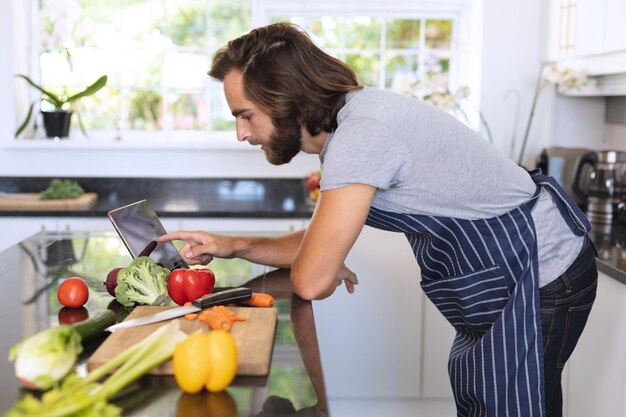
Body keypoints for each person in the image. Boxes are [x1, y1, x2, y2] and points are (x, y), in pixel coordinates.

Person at [158, 22, 598, 417]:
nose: (241, 133)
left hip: (540, 272)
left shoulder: (361, 135)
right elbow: (317, 247)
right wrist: (233, 244)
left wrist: (320, 261)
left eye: (244, 115)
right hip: (508, 272)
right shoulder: (353, 122)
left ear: (285, 99)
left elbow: (311, 278)